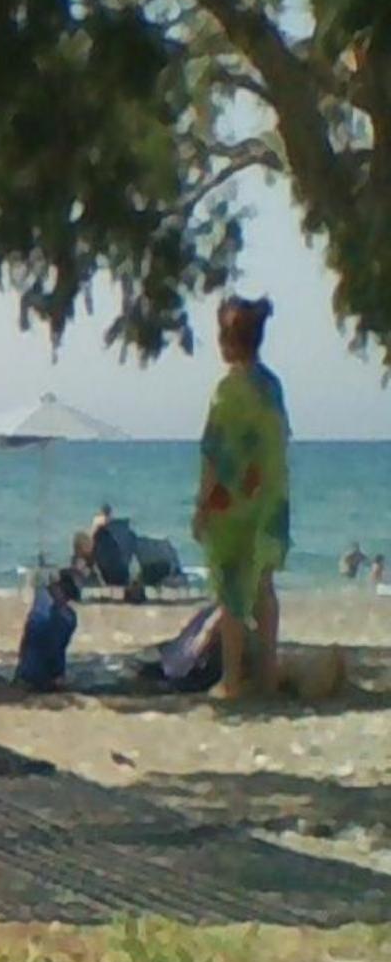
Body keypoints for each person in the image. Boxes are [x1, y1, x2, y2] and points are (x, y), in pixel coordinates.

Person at [193, 295, 290, 699]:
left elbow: (213, 455)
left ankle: (232, 680)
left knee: (231, 595)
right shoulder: (271, 387)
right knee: (264, 587)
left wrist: (201, 507)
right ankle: (267, 677)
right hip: (269, 503)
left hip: (231, 508)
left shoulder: (226, 390)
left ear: (228, 340)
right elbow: (277, 447)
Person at [16, 569, 81, 691]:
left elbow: (53, 647)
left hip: (39, 671)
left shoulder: (61, 616)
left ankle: (42, 678)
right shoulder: (66, 615)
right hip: (40, 669)